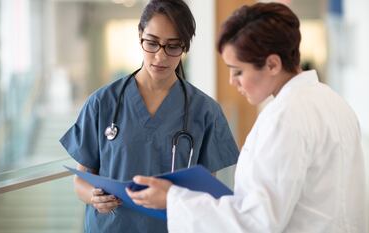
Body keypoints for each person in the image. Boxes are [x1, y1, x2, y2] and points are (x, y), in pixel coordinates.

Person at [127, 2, 367, 232]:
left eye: (238, 71)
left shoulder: (285, 118)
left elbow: (256, 222)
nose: (233, 81)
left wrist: (173, 199)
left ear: (272, 64)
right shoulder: (334, 102)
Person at [59, 0, 239, 232]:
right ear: (140, 36)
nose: (160, 57)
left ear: (185, 46)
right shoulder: (102, 103)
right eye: (152, 43)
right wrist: (93, 197)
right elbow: (80, 181)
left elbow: (205, 191)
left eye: (173, 46)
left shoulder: (205, 111)